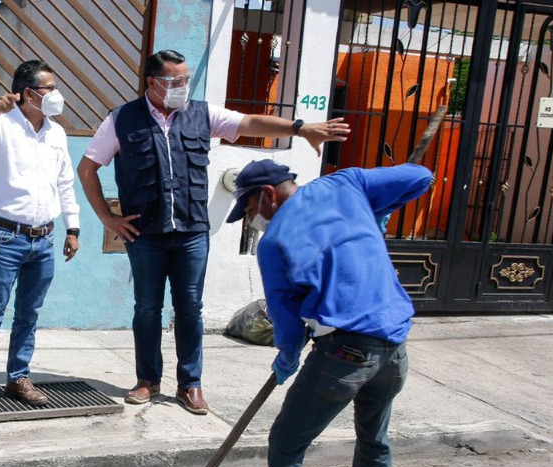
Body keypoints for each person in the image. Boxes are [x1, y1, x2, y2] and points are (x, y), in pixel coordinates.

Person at [77, 49, 350, 415]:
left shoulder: (202, 114)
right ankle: (147, 380)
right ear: (152, 83)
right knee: (147, 309)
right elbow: (87, 168)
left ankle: (190, 385)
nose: (181, 87)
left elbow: (251, 123)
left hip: (192, 232)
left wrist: (300, 129)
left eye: (185, 79)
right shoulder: (122, 119)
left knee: (190, 308)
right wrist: (107, 219)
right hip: (146, 235)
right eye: (173, 81)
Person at [211, 159, 434, 467]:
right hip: (394, 344)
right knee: (374, 436)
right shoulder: (347, 184)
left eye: (252, 210)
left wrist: (288, 355)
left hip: (344, 352)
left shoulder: (276, 241)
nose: (255, 220)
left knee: (287, 441)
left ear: (268, 195)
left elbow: (285, 315)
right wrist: (381, 204)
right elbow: (421, 176)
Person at [0, 58, 80, 414]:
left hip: (44, 240)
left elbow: (65, 183)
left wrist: (73, 227)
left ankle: (18, 377)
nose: (56, 94)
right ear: (28, 94)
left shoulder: (56, 132)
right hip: (7, 238)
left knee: (29, 314)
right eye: (49, 89)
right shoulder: (2, 125)